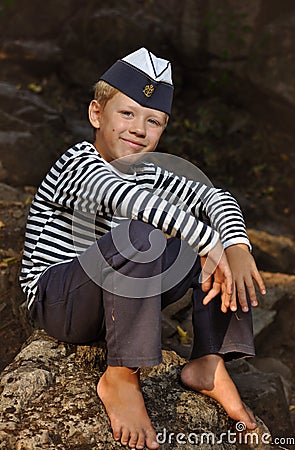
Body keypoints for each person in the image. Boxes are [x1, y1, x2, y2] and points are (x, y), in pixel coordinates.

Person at [20, 47, 266, 450]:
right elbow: (129, 201)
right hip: (60, 302)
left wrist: (235, 245)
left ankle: (208, 360)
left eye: (153, 121)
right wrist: (209, 242)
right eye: (127, 114)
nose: (138, 128)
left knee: (214, 248)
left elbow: (214, 197)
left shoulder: (152, 173)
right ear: (97, 114)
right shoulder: (76, 163)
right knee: (142, 233)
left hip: (117, 304)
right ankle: (120, 375)